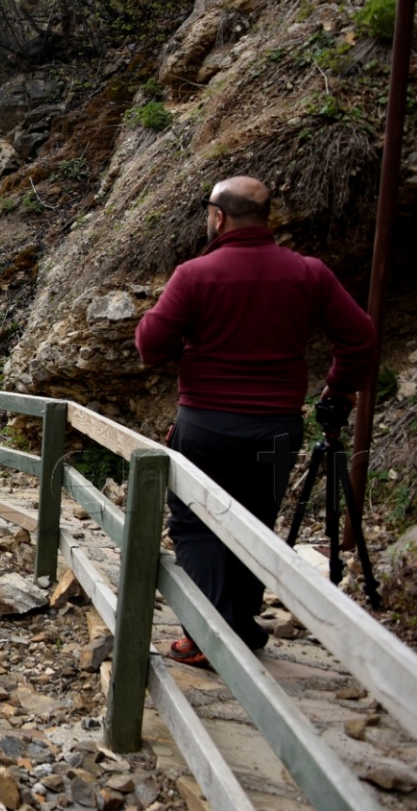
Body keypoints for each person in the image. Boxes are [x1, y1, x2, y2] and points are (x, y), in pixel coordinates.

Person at [135, 176, 377, 666]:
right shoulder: (309, 274)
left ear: (218, 217)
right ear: (267, 217)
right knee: (255, 523)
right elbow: (361, 337)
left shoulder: (195, 275)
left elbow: (150, 347)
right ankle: (237, 627)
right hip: (274, 432)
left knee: (195, 526)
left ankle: (208, 636)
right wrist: (339, 385)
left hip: (205, 428)